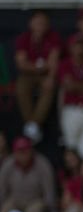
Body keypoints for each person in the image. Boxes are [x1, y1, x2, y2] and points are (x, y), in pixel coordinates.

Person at [14, 10, 61, 143]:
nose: (40, 26)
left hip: (45, 74)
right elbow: (21, 64)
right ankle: (33, 125)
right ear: (31, 24)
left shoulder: (53, 37)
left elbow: (54, 61)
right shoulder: (23, 38)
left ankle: (32, 125)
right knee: (21, 87)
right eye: (38, 22)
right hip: (28, 75)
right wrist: (40, 67)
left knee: (49, 86)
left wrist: (50, 76)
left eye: (43, 23)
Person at [0, 136, 56, 212]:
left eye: (25, 151)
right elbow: (2, 190)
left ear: (31, 150)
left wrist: (51, 211)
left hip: (35, 200)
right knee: (5, 210)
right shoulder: (8, 164)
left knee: (35, 211)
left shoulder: (43, 164)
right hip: (15, 199)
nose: (22, 154)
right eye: (19, 151)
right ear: (14, 152)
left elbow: (49, 191)